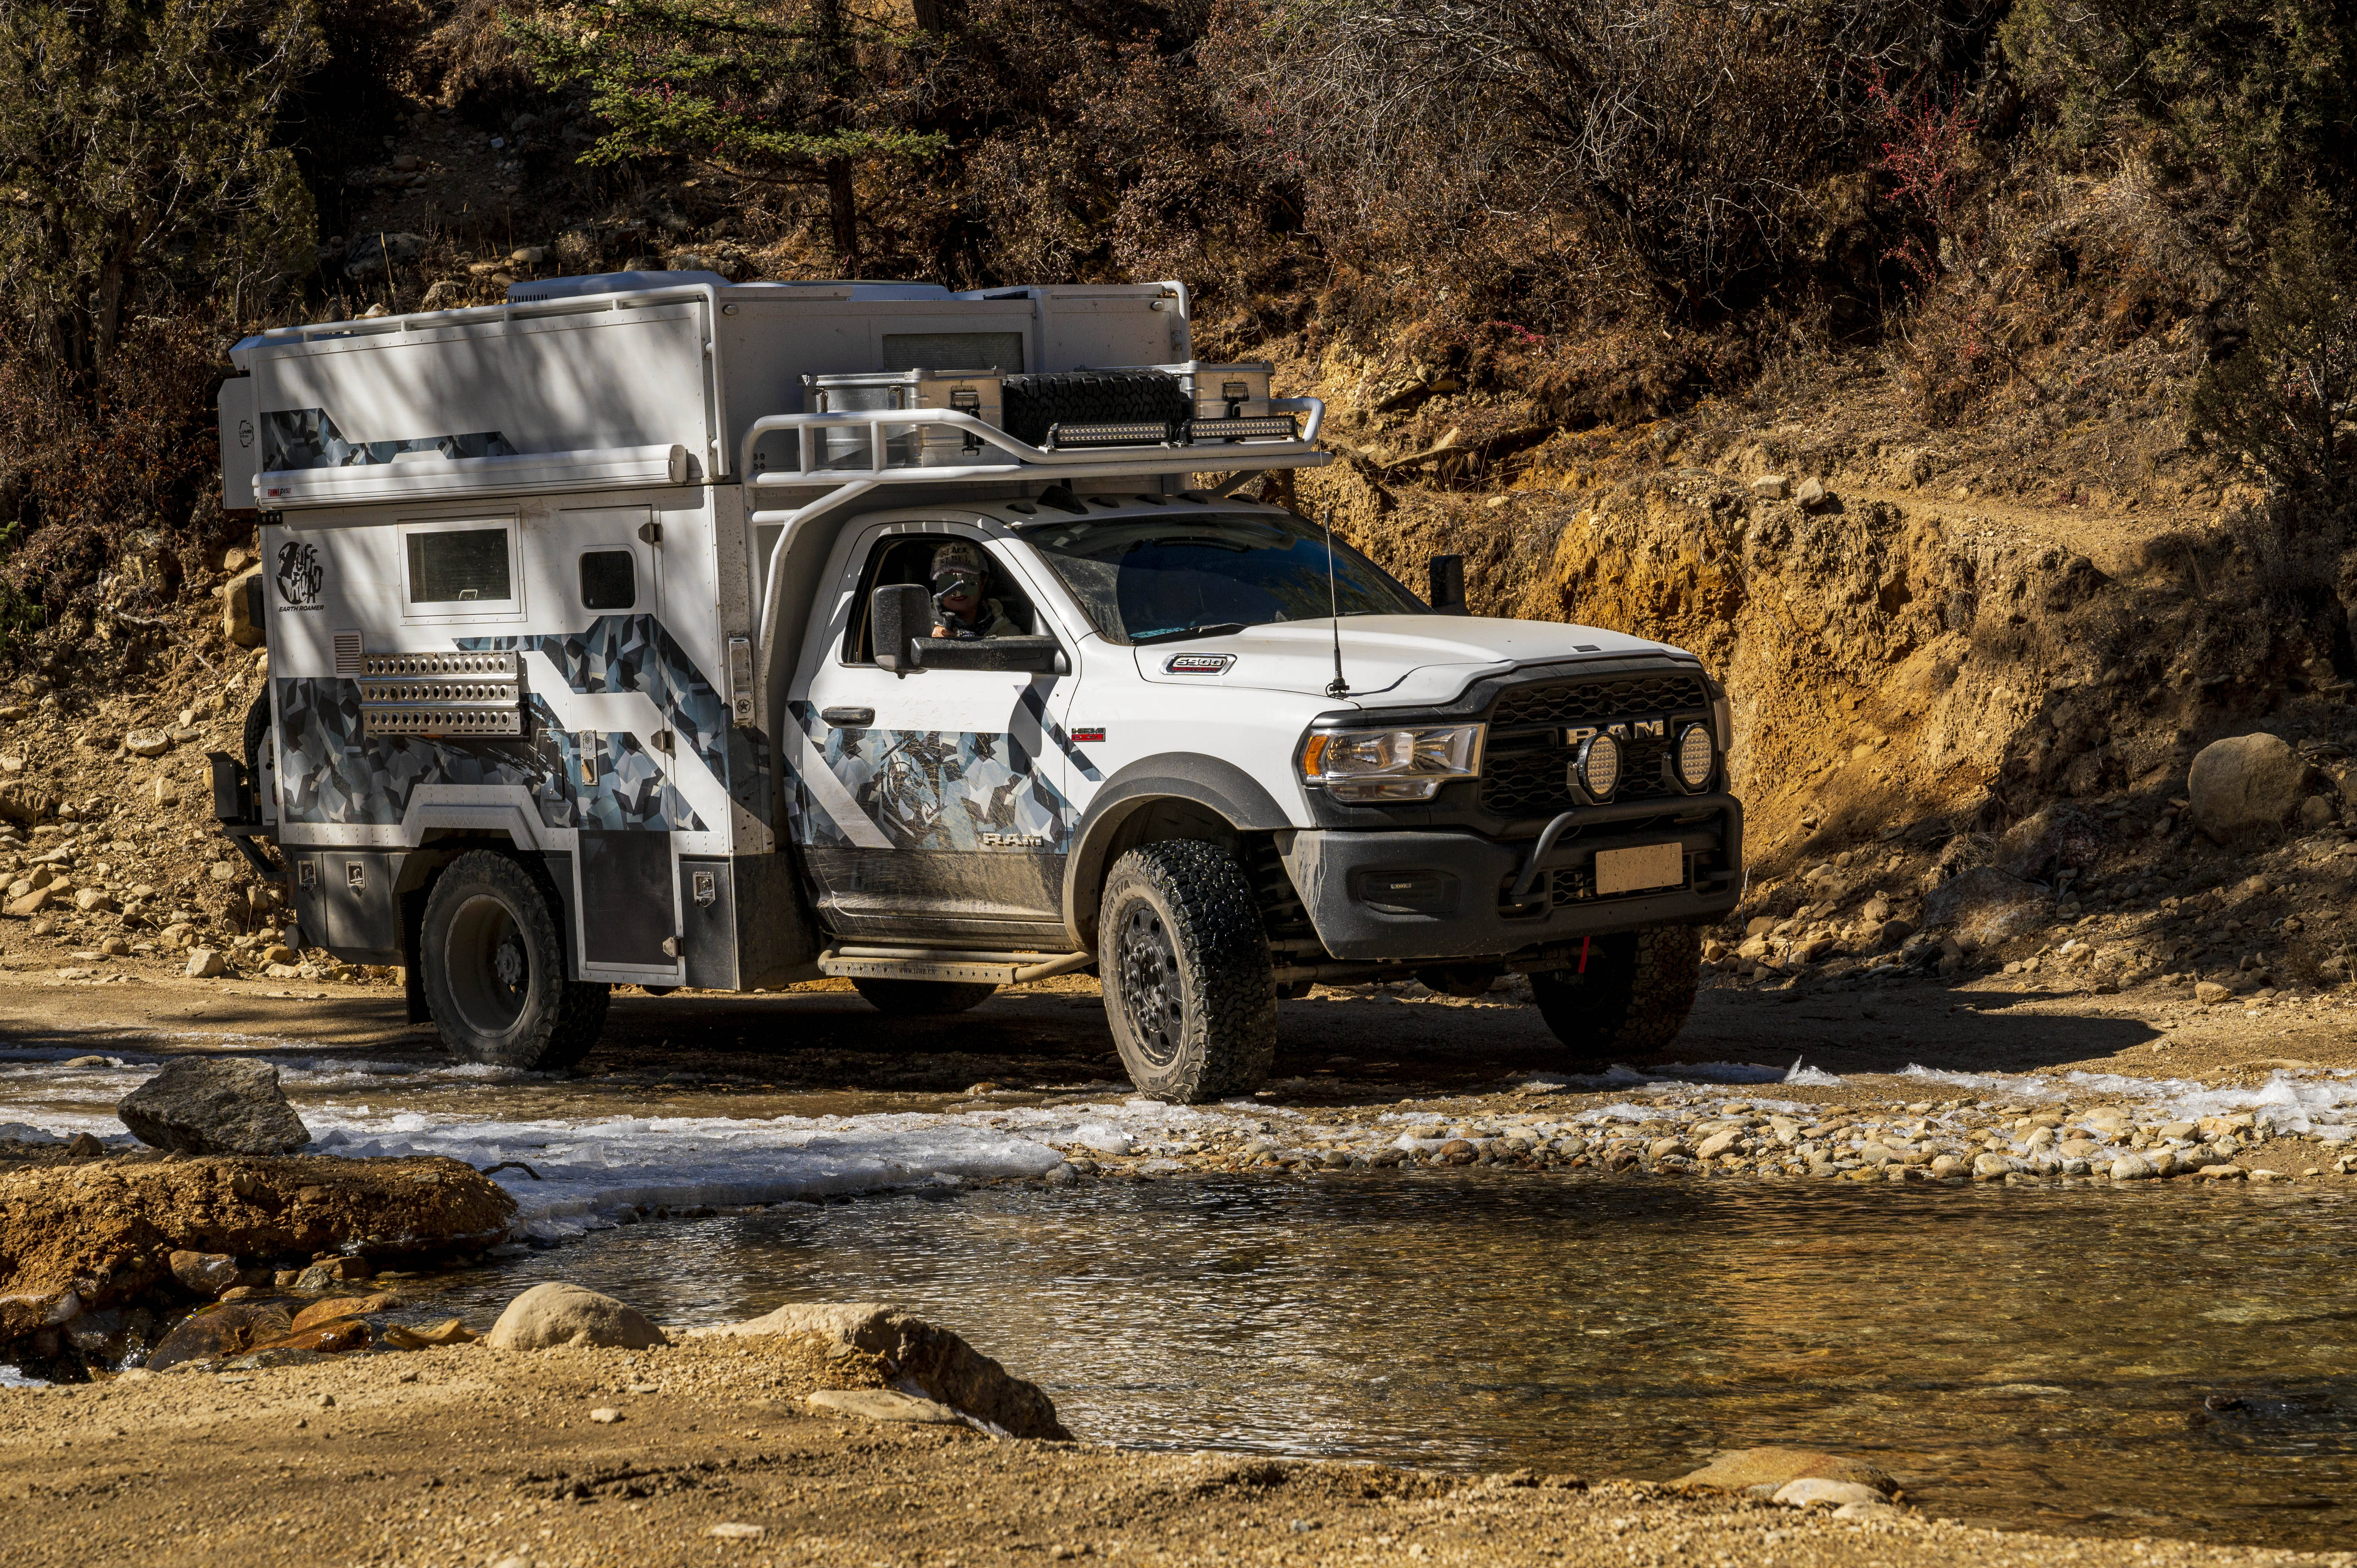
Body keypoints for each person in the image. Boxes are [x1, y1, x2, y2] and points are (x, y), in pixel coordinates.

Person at [928, 541, 1022, 639]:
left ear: (983, 581)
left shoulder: (1010, 635)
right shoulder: (921, 630)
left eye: (966, 579)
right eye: (948, 580)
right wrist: (930, 643)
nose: (958, 589)